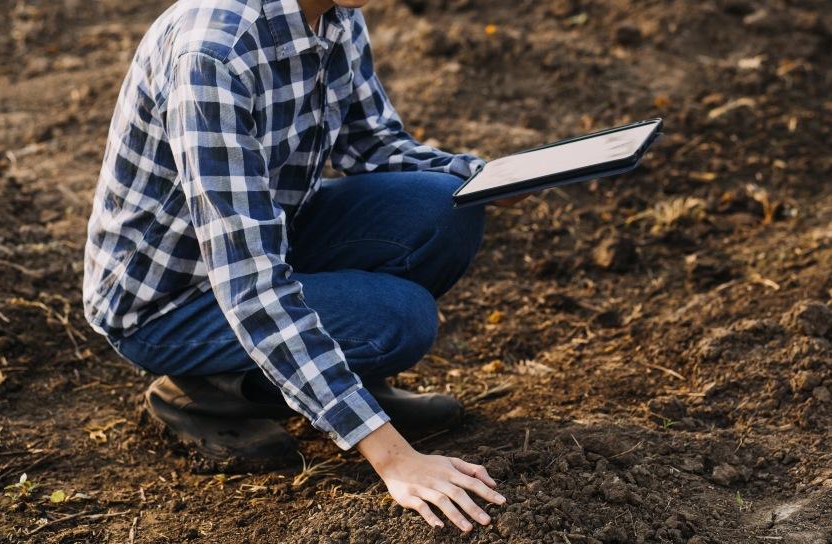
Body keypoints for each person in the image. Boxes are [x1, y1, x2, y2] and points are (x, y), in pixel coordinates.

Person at [83, 0, 521, 533]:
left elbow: (372, 142)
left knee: (451, 206)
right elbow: (248, 280)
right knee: (399, 320)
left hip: (272, 232)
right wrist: (393, 456)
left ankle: (336, 377)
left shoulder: (334, 13)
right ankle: (206, 390)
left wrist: (486, 177)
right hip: (169, 296)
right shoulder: (213, 54)